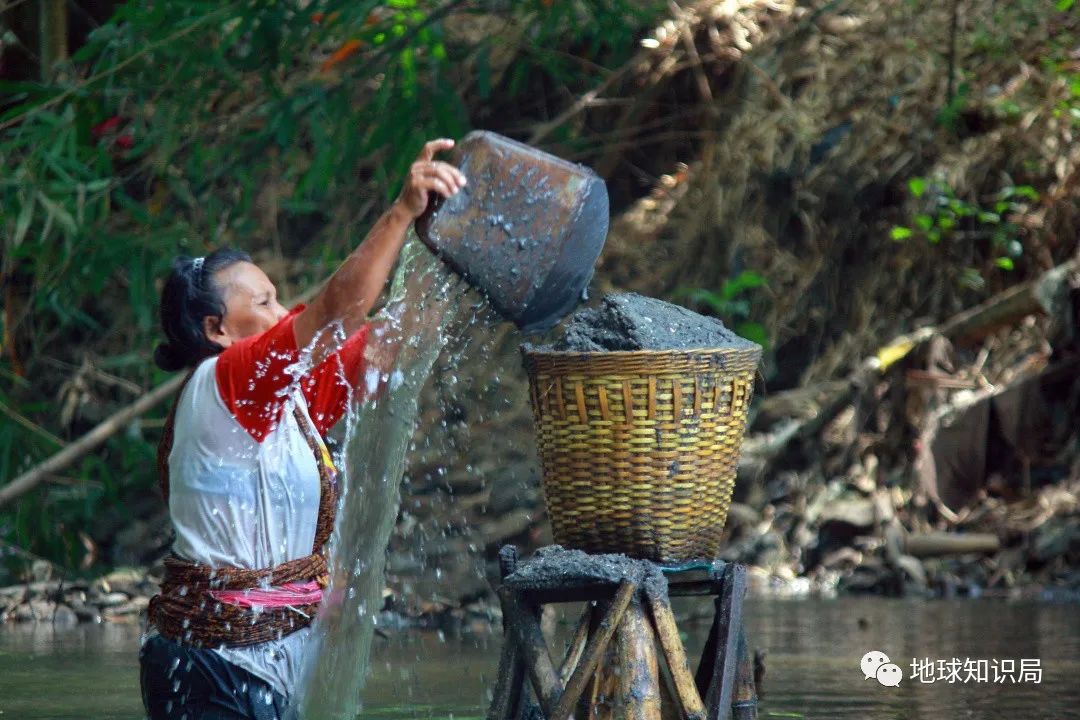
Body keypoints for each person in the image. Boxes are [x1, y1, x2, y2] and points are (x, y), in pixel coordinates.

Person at [140, 139, 467, 720]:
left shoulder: (286, 399)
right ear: (218, 329)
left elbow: (388, 343)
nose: (280, 311)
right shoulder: (225, 380)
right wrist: (399, 212)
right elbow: (335, 317)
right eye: (264, 302)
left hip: (268, 660)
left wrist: (451, 246)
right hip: (211, 667)